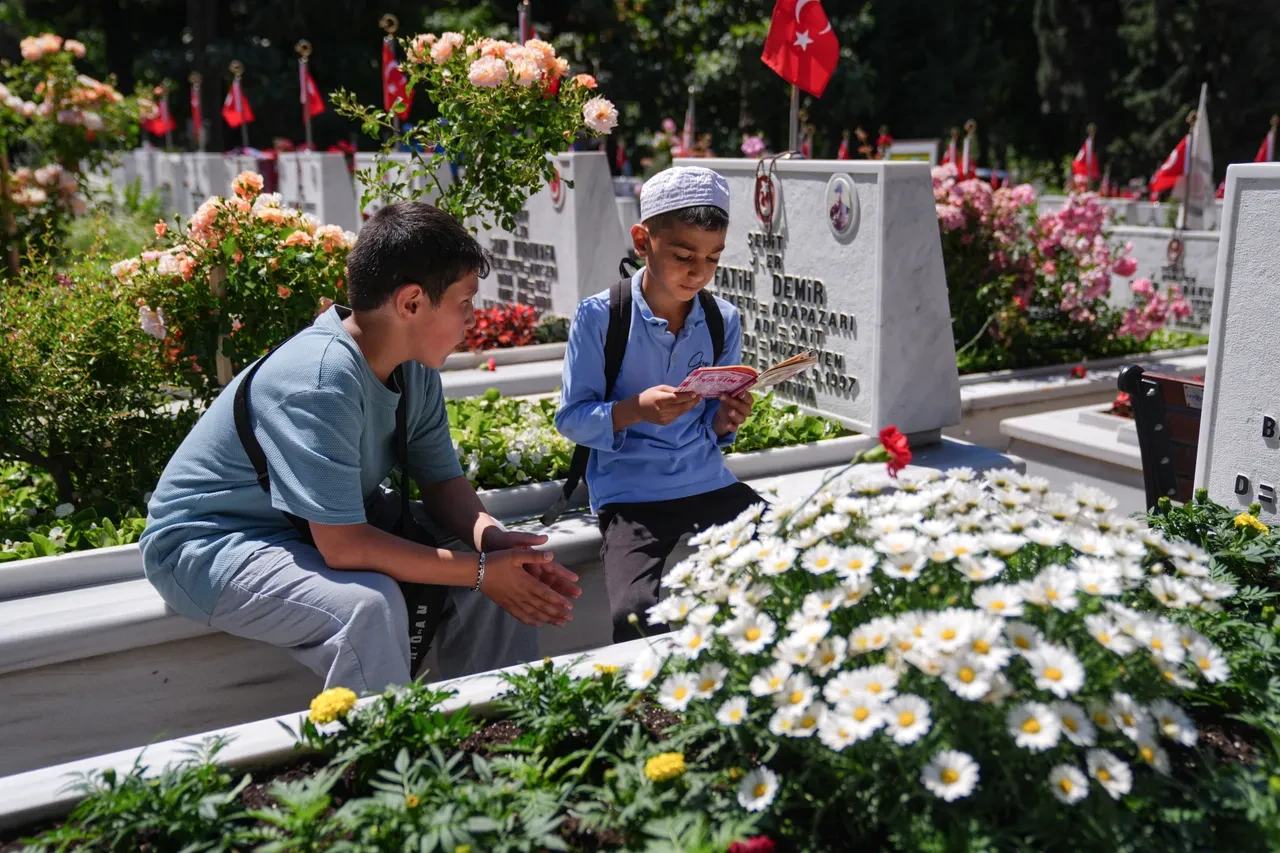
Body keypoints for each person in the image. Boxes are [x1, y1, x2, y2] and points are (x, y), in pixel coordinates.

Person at [140, 201, 580, 696]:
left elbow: (442, 482)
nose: (473, 319)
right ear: (411, 303)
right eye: (464, 302)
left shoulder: (413, 366)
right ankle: (386, 745)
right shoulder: (322, 379)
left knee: (499, 571)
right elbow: (344, 546)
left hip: (316, 525)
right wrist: (481, 572)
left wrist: (493, 544)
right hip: (211, 543)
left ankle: (501, 724)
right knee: (368, 607)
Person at [555, 166, 764, 644]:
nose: (699, 272)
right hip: (631, 495)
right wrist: (635, 409)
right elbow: (570, 418)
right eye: (683, 255)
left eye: (713, 258)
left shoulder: (722, 319)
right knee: (635, 614)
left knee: (791, 559)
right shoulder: (600, 316)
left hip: (708, 481)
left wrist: (726, 419)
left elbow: (712, 424)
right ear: (642, 241)